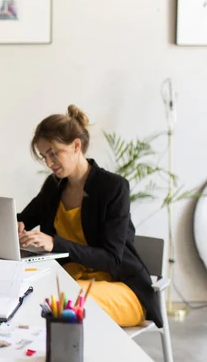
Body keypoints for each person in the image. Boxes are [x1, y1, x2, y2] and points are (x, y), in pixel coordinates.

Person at [17, 104, 162, 328]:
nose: (49, 163)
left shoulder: (113, 188)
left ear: (76, 145)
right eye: (45, 156)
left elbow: (112, 259)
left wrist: (55, 243)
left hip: (120, 287)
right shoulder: (54, 187)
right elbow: (24, 217)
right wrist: (15, 224)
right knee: (27, 294)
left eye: (54, 153)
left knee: (57, 302)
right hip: (72, 283)